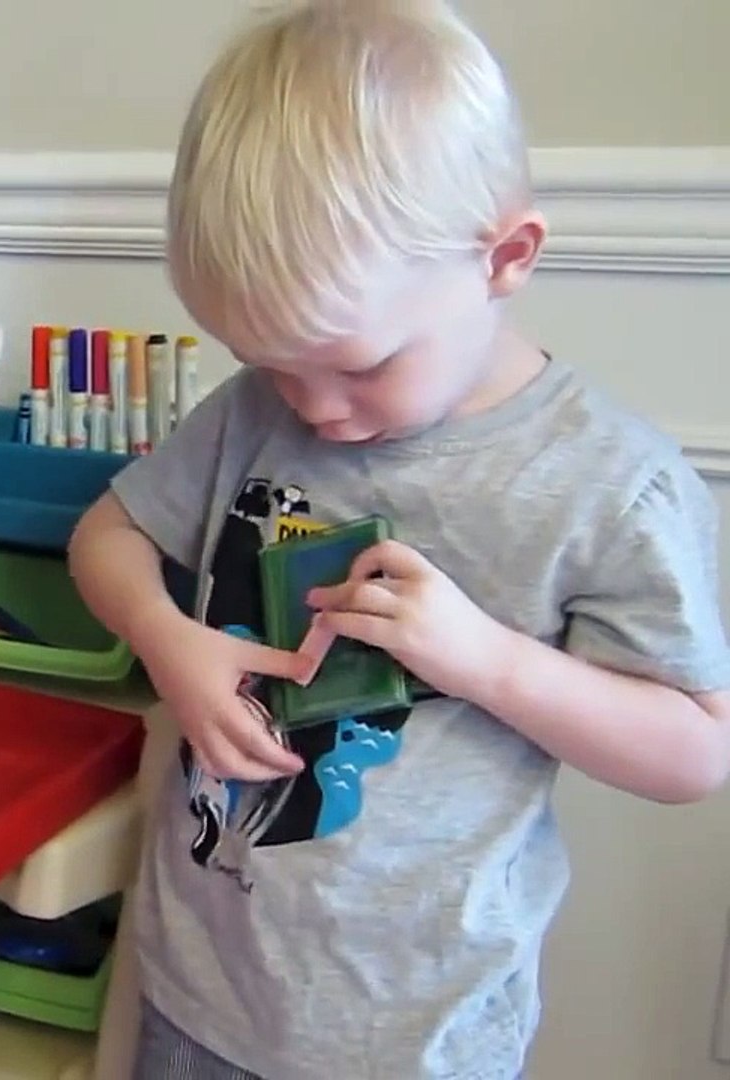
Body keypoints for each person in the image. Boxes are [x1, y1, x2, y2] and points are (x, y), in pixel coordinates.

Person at [67, 1, 730, 1077]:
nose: (315, 409)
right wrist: (164, 639)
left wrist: (488, 660)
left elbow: (695, 752)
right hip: (199, 987)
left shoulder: (614, 485)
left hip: (415, 1038)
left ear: (504, 256)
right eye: (275, 363)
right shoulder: (255, 411)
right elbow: (108, 534)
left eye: (361, 365)